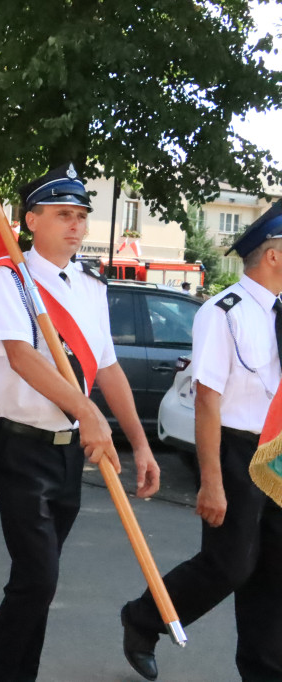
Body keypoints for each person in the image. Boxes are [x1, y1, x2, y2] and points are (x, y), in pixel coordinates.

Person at [0, 163, 160, 682]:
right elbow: (21, 356)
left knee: (40, 582)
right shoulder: (10, 277)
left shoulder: (90, 286)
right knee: (37, 574)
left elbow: (109, 367)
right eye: (62, 215)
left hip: (67, 450)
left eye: (81, 216)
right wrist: (86, 409)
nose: (75, 226)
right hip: (16, 442)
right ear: (32, 219)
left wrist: (141, 445)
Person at [120, 200, 282, 682]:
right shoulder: (223, 312)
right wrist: (211, 481)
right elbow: (208, 401)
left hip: (277, 454)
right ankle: (143, 617)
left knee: (274, 570)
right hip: (235, 450)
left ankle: (264, 670)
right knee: (229, 565)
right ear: (273, 256)